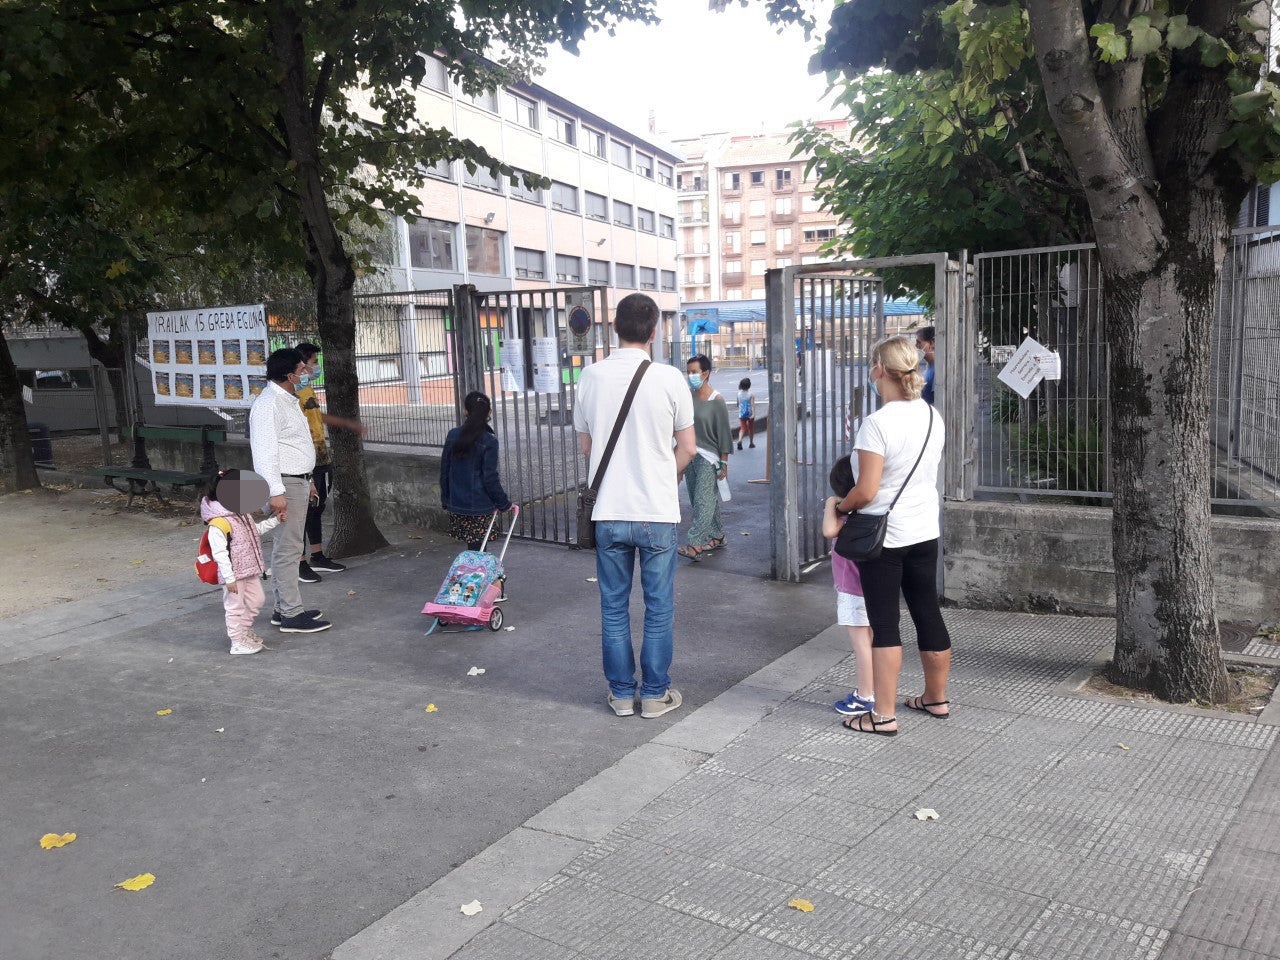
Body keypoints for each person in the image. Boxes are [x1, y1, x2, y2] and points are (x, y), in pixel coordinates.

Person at [574, 293, 696, 720]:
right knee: (659, 606)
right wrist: (666, 476)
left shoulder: (590, 376)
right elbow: (688, 448)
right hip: (657, 513)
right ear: (656, 330)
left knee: (613, 606)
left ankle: (623, 695)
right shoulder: (670, 378)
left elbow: (589, 447)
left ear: (613, 328)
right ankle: (656, 695)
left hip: (608, 511)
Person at [836, 334, 950, 736]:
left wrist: (841, 506)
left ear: (880, 370)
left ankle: (882, 715)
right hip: (924, 531)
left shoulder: (878, 424)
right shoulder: (933, 416)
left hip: (885, 538)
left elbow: (866, 490)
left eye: (872, 365)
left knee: (885, 624)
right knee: (927, 613)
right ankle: (935, 698)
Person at [249, 348, 332, 634]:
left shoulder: (286, 400)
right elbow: (265, 453)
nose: (306, 374)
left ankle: (283, 607)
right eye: (301, 370)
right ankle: (291, 614)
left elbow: (292, 446)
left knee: (287, 547)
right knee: (289, 550)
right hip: (283, 484)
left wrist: (307, 479)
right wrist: (275, 492)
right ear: (288, 375)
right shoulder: (268, 404)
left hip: (295, 481)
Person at [293, 342, 367, 583]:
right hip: (305, 459)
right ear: (302, 365)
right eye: (314, 363)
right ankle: (299, 561)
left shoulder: (306, 390)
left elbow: (314, 414)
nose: (317, 368)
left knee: (317, 507)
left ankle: (317, 555)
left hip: (320, 456)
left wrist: (345, 423)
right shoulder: (291, 394)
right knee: (303, 510)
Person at [200, 471, 280, 655]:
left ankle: (243, 631)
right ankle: (236, 641)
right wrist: (229, 578)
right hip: (233, 575)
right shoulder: (219, 523)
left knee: (257, 599)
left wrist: (274, 521)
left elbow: (254, 531)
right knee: (234, 607)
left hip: (249, 569)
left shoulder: (242, 515)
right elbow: (220, 553)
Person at [822, 456, 874, 717]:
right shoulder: (869, 515)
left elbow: (828, 530)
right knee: (872, 642)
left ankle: (865, 696)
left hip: (853, 592)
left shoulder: (845, 518)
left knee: (861, 645)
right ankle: (875, 689)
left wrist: (832, 503)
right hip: (873, 589)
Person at [440, 390, 513, 555]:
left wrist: (446, 500)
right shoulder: (489, 441)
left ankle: (470, 577)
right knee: (478, 550)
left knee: (473, 548)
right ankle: (474, 579)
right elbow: (490, 478)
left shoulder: (453, 435)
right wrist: (504, 503)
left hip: (457, 503)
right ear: (489, 412)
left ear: (465, 411)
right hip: (479, 505)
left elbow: (444, 471)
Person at [678, 354, 733, 561]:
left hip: (709, 458)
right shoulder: (688, 396)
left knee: (703, 501)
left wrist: (724, 462)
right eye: (688, 371)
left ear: (706, 373)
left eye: (694, 372)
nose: (690, 375)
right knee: (700, 500)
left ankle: (695, 544)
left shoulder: (717, 400)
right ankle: (717, 535)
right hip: (690, 454)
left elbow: (724, 435)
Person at [916, 325, 936, 405]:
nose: (916, 346)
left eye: (919, 342)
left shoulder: (937, 370)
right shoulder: (930, 367)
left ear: (931, 343)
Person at [736, 377, 756, 450]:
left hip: (742, 413)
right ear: (749, 386)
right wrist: (753, 414)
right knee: (751, 428)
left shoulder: (738, 394)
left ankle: (739, 440)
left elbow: (738, 404)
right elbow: (752, 405)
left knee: (742, 428)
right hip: (749, 414)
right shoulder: (751, 394)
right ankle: (751, 443)